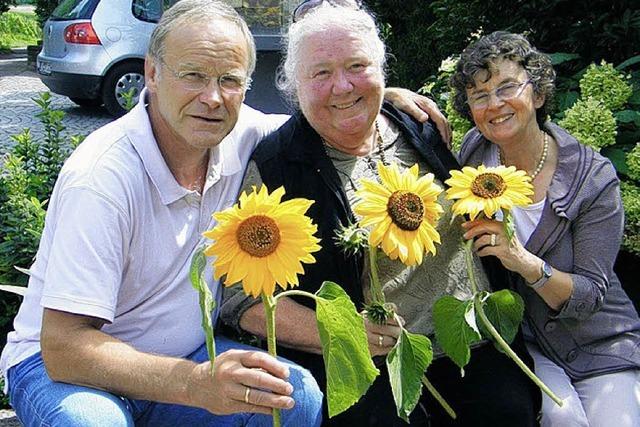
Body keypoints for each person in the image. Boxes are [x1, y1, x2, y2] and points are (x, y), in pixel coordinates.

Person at [0, 1, 448, 425]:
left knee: (294, 396)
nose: (212, 98)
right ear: (152, 74)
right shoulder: (102, 178)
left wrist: (370, 94)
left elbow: (323, 112)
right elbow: (64, 348)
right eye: (193, 75)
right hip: (65, 372)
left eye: (230, 80)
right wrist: (193, 383)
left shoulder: (239, 133)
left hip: (184, 358)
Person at [220, 3, 540, 426]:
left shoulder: (418, 125)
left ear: (382, 71)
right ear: (295, 85)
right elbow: (240, 303)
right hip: (373, 362)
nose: (342, 86)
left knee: (510, 412)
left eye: (357, 65)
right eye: (320, 73)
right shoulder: (279, 164)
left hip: (472, 339)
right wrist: (343, 333)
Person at [450, 31, 640, 426]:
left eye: (507, 88)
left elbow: (589, 296)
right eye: (480, 95)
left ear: (537, 94)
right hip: (528, 343)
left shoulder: (593, 179)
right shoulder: (472, 154)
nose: (495, 104)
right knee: (561, 418)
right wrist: (394, 96)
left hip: (600, 342)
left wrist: (521, 259)